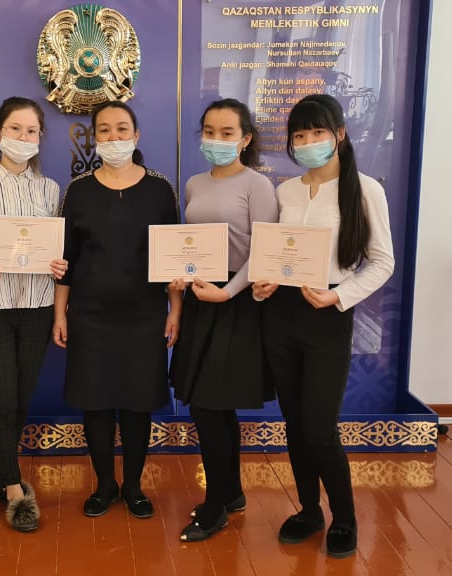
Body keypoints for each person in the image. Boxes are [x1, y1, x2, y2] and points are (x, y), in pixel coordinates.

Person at [252, 94, 394, 557]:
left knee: (319, 427)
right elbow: (276, 255)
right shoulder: (286, 192)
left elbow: (382, 262)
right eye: (300, 135)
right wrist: (264, 285)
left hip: (328, 313)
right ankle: (309, 510)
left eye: (318, 132)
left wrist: (339, 295)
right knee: (294, 423)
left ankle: (344, 518)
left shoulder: (366, 190)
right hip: (281, 314)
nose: (309, 141)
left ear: (340, 135)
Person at [54, 100, 181, 520]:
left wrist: (175, 310)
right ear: (94, 138)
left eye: (122, 129)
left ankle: (133, 486)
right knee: (96, 402)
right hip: (89, 315)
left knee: (137, 402)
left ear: (136, 135)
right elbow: (67, 259)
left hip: (145, 315)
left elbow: (174, 258)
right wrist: (60, 314)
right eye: (104, 130)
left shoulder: (160, 189)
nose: (113, 137)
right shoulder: (78, 191)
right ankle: (105, 485)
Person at [171, 98, 278, 542]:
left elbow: (265, 250)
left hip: (237, 301)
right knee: (212, 405)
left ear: (245, 139)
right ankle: (231, 493)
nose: (216, 140)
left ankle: (214, 506)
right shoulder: (194, 183)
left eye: (227, 133)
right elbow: (190, 243)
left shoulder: (257, 185)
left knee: (211, 405)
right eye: (209, 132)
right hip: (201, 297)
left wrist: (228, 291)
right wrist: (180, 277)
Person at [0, 96, 69, 532]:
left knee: (22, 397)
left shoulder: (51, 189)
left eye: (31, 131)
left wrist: (59, 265)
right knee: (3, 396)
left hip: (38, 305)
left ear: (40, 137)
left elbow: (55, 248)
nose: (22, 137)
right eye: (14, 129)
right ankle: (12, 488)